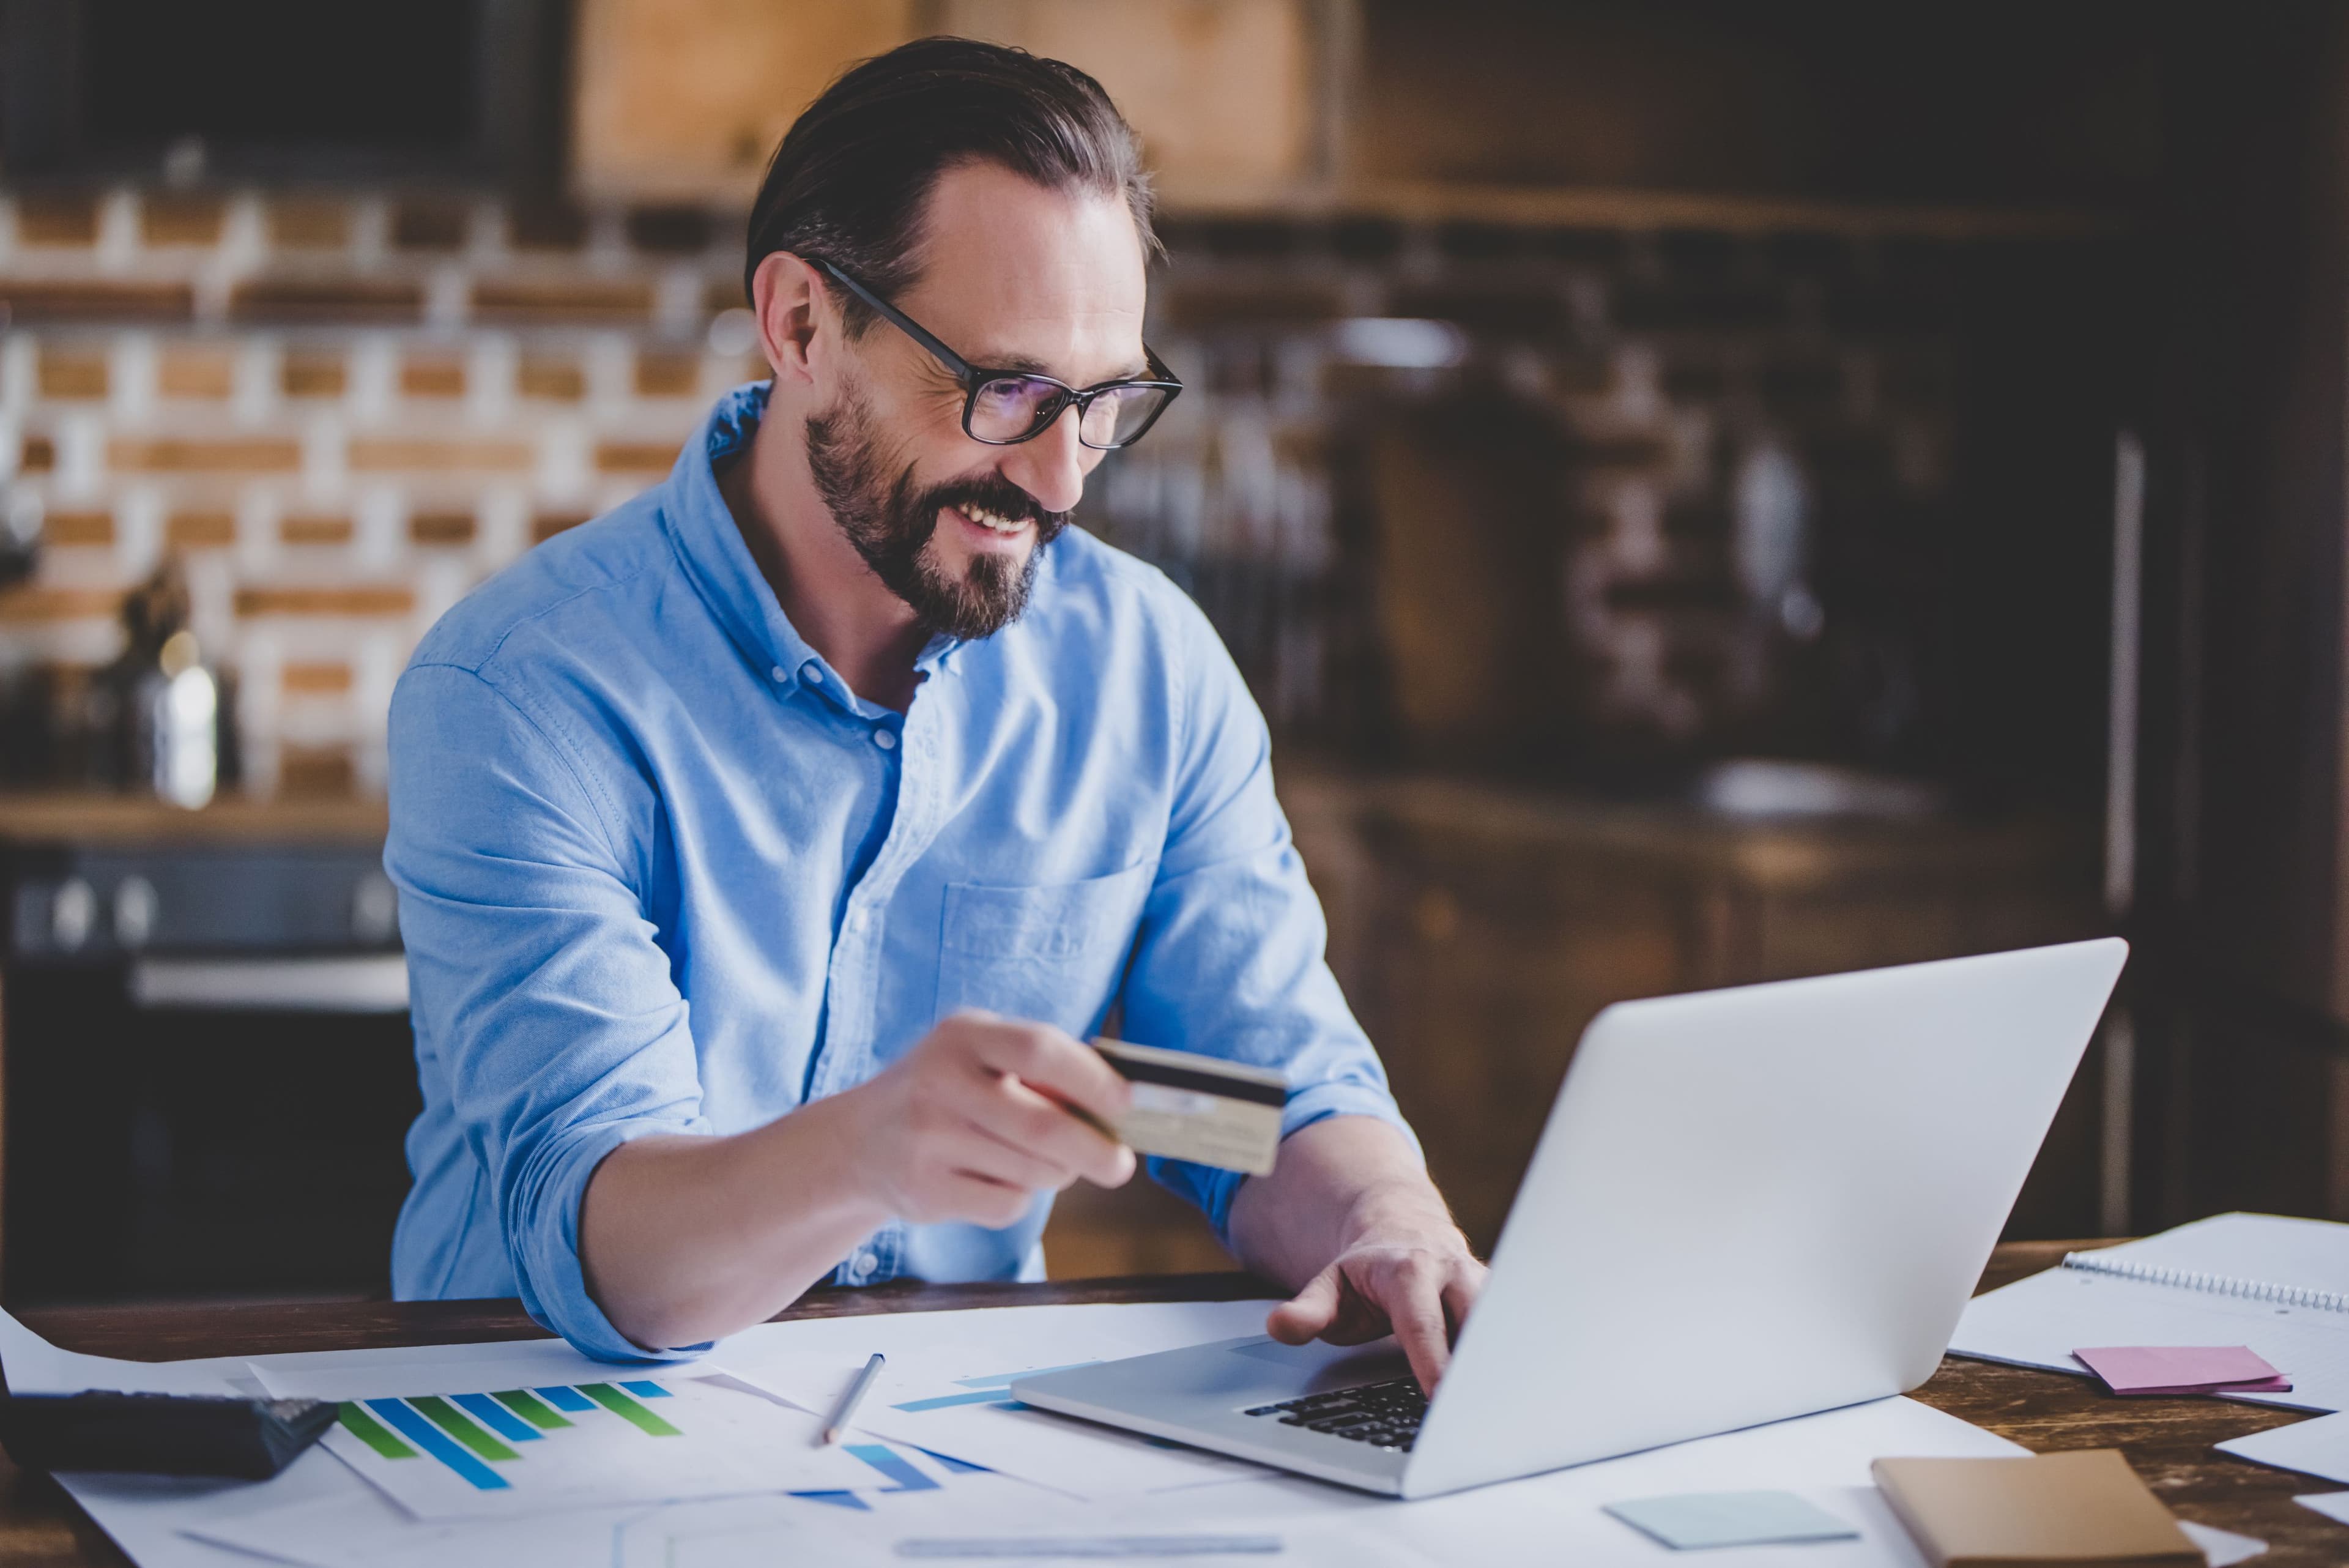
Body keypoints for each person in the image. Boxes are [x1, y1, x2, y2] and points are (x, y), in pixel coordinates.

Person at [384, 37, 1485, 1391]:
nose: (1062, 483)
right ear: (800, 325)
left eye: (1100, 406)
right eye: (1007, 392)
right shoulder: (521, 691)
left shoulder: (1150, 672)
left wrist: (1386, 1221)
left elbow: (1249, 1104)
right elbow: (605, 1244)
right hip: (523, 1426)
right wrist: (867, 1148)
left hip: (946, 1436)